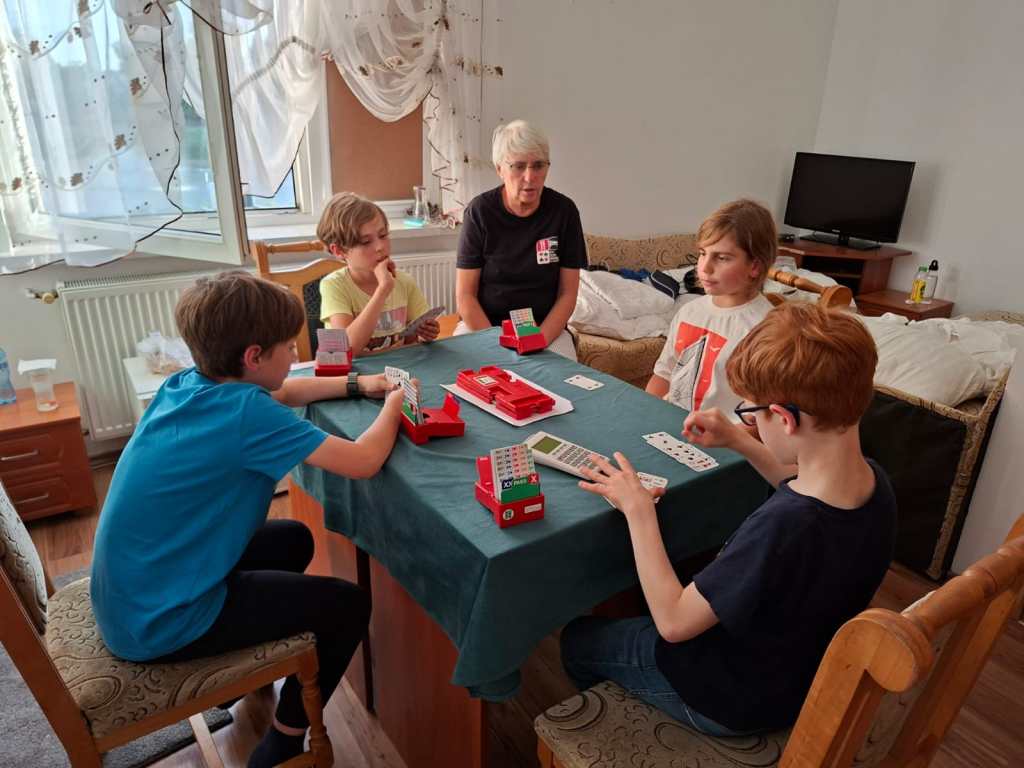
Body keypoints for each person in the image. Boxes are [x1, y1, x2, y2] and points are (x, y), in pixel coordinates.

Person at [90, 271, 407, 768]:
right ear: (254, 357)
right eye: (288, 347)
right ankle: (283, 740)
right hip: (160, 622)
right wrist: (394, 402)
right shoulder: (245, 415)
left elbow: (282, 393)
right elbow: (364, 461)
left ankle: (255, 671)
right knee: (346, 605)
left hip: (133, 594)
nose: (294, 355)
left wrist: (357, 383)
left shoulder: (189, 384)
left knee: (293, 539)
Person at [562, 302, 897, 735]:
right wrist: (741, 440)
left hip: (729, 697)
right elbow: (796, 482)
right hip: (796, 675)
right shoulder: (874, 485)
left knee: (577, 640)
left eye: (752, 413)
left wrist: (639, 510)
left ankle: (636, 739)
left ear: (783, 418)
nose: (750, 421)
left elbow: (675, 623)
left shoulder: (783, 525)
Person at [455, 119, 587, 360]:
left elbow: (568, 293)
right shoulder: (479, 212)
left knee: (562, 387)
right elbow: (466, 296)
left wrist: (539, 339)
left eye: (538, 165)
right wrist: (496, 346)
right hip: (483, 328)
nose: (530, 177)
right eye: (518, 166)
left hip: (545, 329)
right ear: (499, 169)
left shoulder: (564, 212)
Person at [647, 199, 776, 416]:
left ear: (755, 266)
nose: (704, 268)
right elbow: (663, 376)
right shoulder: (689, 311)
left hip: (723, 443)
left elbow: (759, 419)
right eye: (702, 253)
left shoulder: (767, 329)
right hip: (673, 429)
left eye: (722, 258)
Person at [318, 191, 439, 356]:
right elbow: (346, 350)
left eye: (383, 235)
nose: (380, 247)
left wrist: (426, 333)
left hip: (398, 370)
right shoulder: (334, 286)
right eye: (366, 242)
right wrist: (382, 291)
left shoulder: (404, 282)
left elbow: (411, 342)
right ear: (339, 250)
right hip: (358, 375)